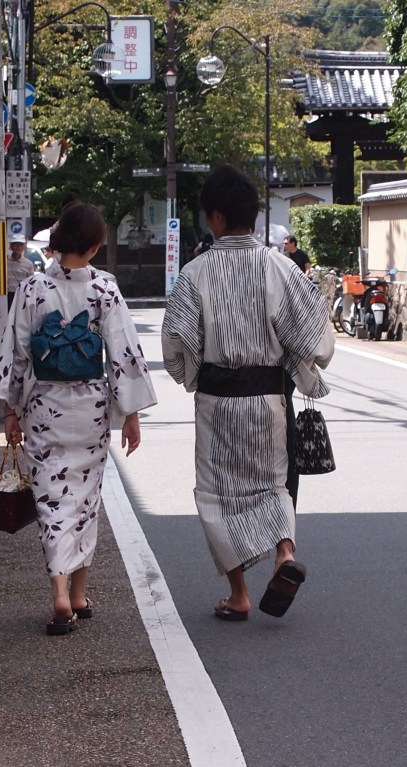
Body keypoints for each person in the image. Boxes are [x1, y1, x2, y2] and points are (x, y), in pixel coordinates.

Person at [161, 165, 334, 622]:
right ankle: (284, 554)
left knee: (217, 494)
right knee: (273, 485)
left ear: (217, 217)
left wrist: (191, 374)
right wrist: (297, 364)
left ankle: (239, 594)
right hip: (268, 401)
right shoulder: (281, 268)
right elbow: (314, 335)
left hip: (218, 401)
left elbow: (177, 342)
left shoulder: (196, 273)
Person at [0, 202, 158, 636]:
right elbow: (123, 353)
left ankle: (63, 594)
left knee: (51, 499)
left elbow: (16, 352)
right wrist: (131, 415)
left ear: (58, 238)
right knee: (85, 498)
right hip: (90, 410)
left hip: (43, 407)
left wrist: (10, 410)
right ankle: (78, 593)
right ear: (97, 246)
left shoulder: (32, 288)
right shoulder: (105, 289)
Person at [6, 232, 35, 309]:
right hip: (7, 295)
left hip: (22, 295)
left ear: (23, 247)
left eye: (20, 244)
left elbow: (32, 283)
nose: (18, 247)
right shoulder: (5, 262)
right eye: (15, 244)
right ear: (11, 246)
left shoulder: (28, 264)